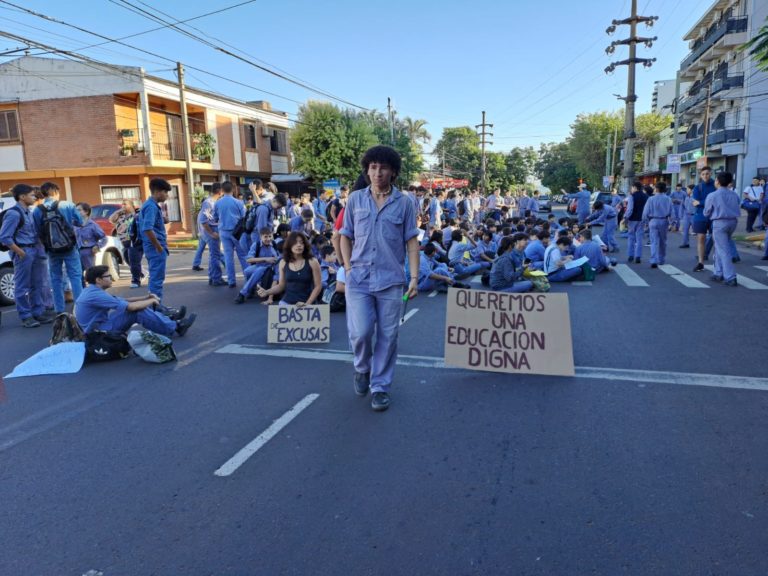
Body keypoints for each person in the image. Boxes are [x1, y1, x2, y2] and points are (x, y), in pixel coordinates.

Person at [339, 145, 420, 412]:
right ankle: (362, 368)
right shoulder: (355, 200)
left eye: (383, 167)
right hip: (359, 279)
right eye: (372, 167)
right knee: (360, 332)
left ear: (393, 172)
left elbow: (411, 241)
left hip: (391, 281)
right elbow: (345, 236)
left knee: (388, 335)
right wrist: (348, 269)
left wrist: (414, 277)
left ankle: (380, 387)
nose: (377, 172)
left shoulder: (405, 203)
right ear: (367, 170)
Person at [75, 265, 196, 336]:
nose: (111, 278)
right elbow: (131, 307)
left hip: (99, 325)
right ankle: (176, 326)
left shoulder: (92, 291)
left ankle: (170, 318)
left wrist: (146, 298)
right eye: (108, 276)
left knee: (140, 305)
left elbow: (125, 300)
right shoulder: (96, 295)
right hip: (99, 331)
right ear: (98, 280)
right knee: (138, 311)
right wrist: (151, 301)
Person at [0, 184, 52, 327]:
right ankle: (26, 316)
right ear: (22, 197)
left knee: (37, 283)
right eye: (31, 195)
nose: (35, 197)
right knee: (22, 286)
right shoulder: (14, 213)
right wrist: (20, 252)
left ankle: (38, 312)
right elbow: (4, 237)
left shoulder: (28, 212)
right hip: (24, 252)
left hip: (34, 250)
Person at [33, 181, 84, 313]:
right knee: (75, 276)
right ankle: (79, 308)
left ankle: (59, 310)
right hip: (69, 247)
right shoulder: (67, 205)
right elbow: (80, 222)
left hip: (51, 250)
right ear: (55, 192)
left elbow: (37, 231)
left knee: (55, 278)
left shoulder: (37, 210)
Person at [256, 231, 322, 306]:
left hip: (308, 302)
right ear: (289, 245)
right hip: (287, 303)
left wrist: (307, 303)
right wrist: (267, 292)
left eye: (301, 243)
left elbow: (318, 286)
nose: (299, 245)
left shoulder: (312, 261)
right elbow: (281, 286)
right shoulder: (283, 262)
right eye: (295, 243)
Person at [704, 172, 741, 286]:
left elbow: (706, 212)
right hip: (733, 222)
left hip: (719, 222)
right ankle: (718, 272)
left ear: (718, 182)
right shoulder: (734, 194)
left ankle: (730, 277)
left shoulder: (713, 195)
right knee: (720, 247)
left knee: (723, 250)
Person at [139, 178, 172, 300]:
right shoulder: (151, 207)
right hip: (155, 248)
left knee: (155, 278)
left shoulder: (150, 205)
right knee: (157, 280)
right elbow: (147, 228)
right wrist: (158, 247)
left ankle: (155, 306)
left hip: (152, 247)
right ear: (158, 192)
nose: (167, 196)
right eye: (165, 192)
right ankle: (157, 308)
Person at [214, 181, 248, 288]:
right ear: (233, 190)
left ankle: (231, 281)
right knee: (242, 256)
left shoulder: (218, 203)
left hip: (224, 231)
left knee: (228, 257)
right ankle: (248, 279)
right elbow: (244, 217)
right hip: (237, 232)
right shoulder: (239, 202)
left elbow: (215, 217)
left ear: (222, 190)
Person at [237, 227, 280, 304]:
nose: (268, 239)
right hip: (259, 265)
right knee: (247, 271)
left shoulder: (274, 244)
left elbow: (279, 258)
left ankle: (242, 293)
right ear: (261, 237)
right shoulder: (256, 245)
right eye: (265, 237)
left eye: (270, 236)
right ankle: (251, 289)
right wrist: (265, 259)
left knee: (259, 270)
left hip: (271, 268)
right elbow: (248, 259)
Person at [197, 183, 225, 286]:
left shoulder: (213, 202)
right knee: (215, 256)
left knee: (213, 255)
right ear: (219, 191)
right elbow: (203, 220)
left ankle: (212, 277)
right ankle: (216, 279)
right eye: (222, 191)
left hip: (212, 230)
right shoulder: (208, 202)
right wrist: (212, 233)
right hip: (211, 231)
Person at [642, 181, 672, 268]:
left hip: (653, 221)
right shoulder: (668, 199)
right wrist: (673, 223)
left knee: (654, 241)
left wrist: (645, 222)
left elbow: (645, 212)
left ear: (657, 189)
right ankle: (661, 259)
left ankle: (653, 260)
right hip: (663, 220)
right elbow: (672, 212)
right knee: (663, 241)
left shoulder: (651, 199)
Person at [691, 166, 716, 272]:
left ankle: (718, 262)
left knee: (716, 239)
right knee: (701, 238)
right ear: (700, 175)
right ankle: (701, 262)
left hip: (714, 217)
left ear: (711, 174)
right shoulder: (698, 187)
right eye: (703, 174)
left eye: (707, 173)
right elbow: (695, 202)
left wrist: (701, 202)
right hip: (700, 217)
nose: (705, 175)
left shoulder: (716, 185)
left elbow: (715, 201)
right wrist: (703, 202)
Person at [75, 202, 107, 281]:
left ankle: (93, 291)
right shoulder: (74, 224)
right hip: (76, 252)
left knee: (91, 274)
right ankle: (82, 292)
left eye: (79, 210)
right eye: (76, 210)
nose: (77, 212)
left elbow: (104, 238)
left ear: (86, 212)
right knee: (77, 275)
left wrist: (97, 246)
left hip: (88, 252)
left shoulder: (93, 225)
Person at [623, 181, 648, 264]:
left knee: (631, 237)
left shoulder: (632, 196)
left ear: (635, 187)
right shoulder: (646, 196)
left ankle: (630, 255)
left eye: (632, 187)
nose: (631, 189)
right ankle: (638, 256)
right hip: (642, 219)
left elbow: (630, 209)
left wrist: (625, 218)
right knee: (639, 238)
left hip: (632, 219)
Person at [109, 200, 136, 268]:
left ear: (130, 205)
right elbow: (111, 220)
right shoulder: (121, 215)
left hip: (132, 239)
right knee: (126, 258)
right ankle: (141, 273)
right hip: (123, 240)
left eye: (125, 204)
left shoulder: (135, 215)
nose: (123, 206)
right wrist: (118, 211)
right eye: (122, 204)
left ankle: (139, 274)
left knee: (132, 258)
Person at [679, 184, 695, 248]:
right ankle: (685, 243)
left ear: (692, 190)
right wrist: (681, 216)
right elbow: (682, 206)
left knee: (698, 231)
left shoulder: (696, 197)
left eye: (687, 189)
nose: (686, 190)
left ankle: (703, 244)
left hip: (694, 215)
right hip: (686, 215)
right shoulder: (686, 197)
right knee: (685, 230)